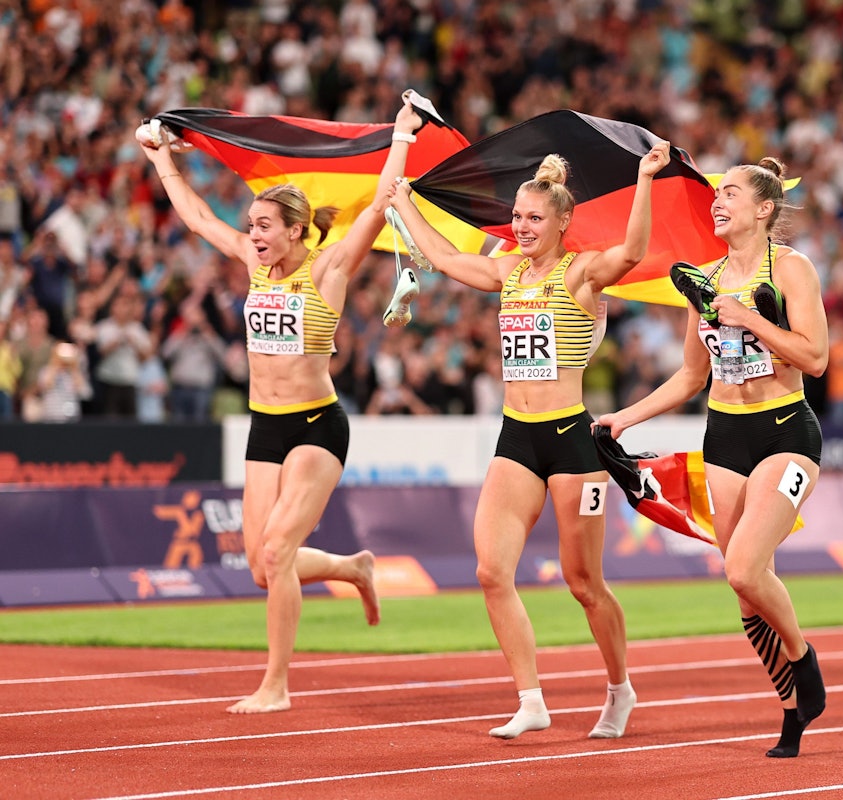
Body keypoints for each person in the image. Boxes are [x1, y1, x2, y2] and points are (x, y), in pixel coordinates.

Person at [138, 97, 425, 714]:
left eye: (264, 226)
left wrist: (400, 136)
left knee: (275, 551)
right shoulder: (253, 265)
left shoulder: (326, 270)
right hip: (265, 426)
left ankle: (276, 685)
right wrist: (163, 160)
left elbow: (378, 206)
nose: (252, 234)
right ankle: (353, 569)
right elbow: (196, 220)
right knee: (264, 569)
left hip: (318, 426)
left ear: (295, 230)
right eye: (251, 225)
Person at [387, 140, 671, 739]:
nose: (521, 227)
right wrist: (404, 201)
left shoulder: (582, 270)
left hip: (571, 442)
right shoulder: (505, 270)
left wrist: (646, 178)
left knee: (583, 583)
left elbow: (636, 250)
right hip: (517, 437)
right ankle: (531, 699)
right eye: (516, 217)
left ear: (564, 221)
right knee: (492, 571)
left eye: (534, 218)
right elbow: (438, 255)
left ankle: (620, 687)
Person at [595, 157, 829, 758]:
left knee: (745, 568)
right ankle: (789, 714)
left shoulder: (793, 269)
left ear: (763, 208)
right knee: (747, 594)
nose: (717, 202)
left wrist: (751, 318)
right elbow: (689, 377)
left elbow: (816, 357)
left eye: (729, 193)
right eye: (715, 194)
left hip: (785, 431)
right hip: (724, 436)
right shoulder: (702, 277)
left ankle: (804, 664)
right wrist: (625, 417)